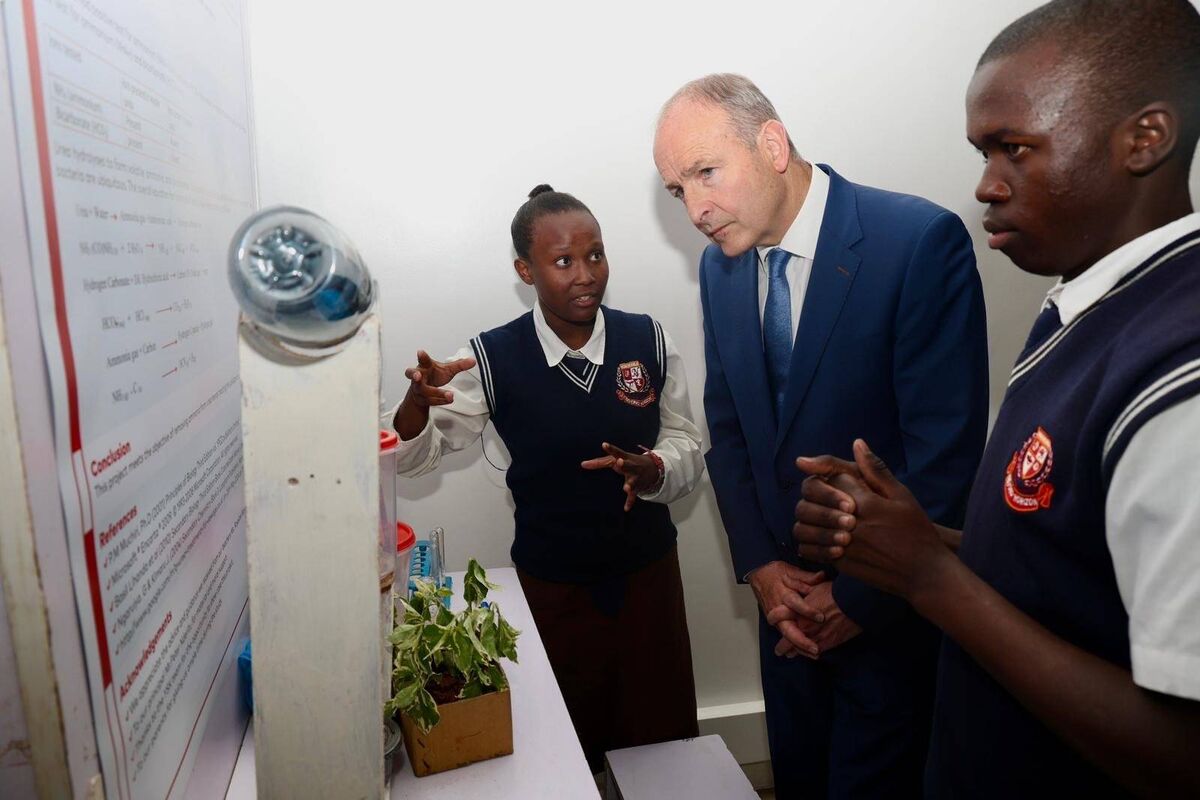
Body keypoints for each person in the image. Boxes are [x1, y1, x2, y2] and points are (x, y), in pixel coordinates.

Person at [791, 1, 1200, 796]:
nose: (986, 184)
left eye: (1015, 149)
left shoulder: (1181, 369)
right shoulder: (1091, 304)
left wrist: (928, 580)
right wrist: (909, 537)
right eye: (983, 151)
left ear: (1144, 140)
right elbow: (1064, 574)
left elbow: (1182, 753)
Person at [652, 74, 989, 798]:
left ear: (772, 144)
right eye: (678, 191)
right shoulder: (721, 269)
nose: (697, 211)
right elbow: (731, 427)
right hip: (787, 623)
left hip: (890, 624)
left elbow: (947, 457)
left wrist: (857, 601)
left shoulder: (917, 243)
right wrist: (764, 574)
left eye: (705, 173)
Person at [389, 185, 703, 773]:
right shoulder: (490, 357)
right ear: (525, 271)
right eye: (563, 262)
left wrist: (655, 467)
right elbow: (412, 457)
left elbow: (687, 442)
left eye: (596, 255)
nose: (585, 275)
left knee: (659, 745)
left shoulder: (649, 340)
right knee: (564, 749)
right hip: (555, 591)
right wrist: (416, 405)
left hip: (647, 583)